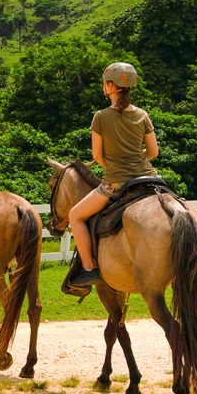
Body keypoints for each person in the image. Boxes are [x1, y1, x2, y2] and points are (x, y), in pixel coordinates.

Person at [69, 62, 159, 287]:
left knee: (75, 216)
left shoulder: (100, 117)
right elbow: (154, 152)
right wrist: (138, 161)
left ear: (110, 85)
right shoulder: (142, 115)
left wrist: (117, 166)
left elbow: (97, 156)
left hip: (116, 183)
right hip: (150, 179)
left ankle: (89, 268)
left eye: (105, 83)